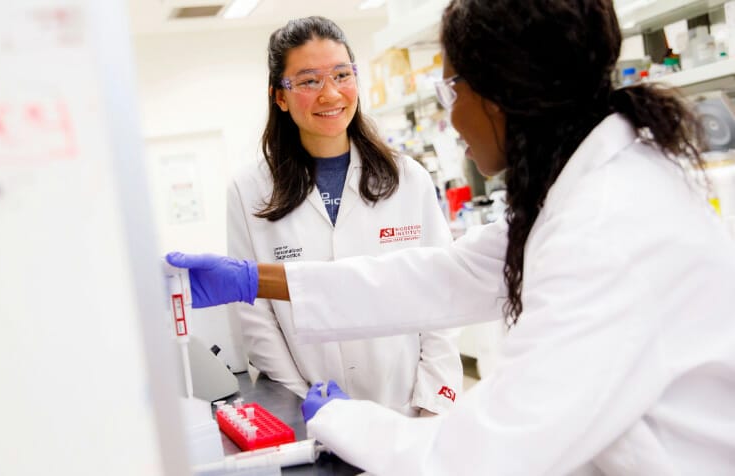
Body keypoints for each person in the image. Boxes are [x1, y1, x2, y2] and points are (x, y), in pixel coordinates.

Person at [166, 0, 735, 474]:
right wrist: (251, 279)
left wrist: (345, 419)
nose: (453, 119)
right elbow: (440, 274)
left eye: (452, 90)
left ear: (502, 93)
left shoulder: (608, 228)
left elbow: (488, 451)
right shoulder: (579, 195)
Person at [226, 16, 464, 417]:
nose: (331, 93)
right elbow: (256, 318)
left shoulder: (409, 179)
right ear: (279, 96)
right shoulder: (249, 191)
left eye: (341, 74)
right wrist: (305, 403)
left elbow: (444, 295)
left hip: (409, 409)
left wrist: (431, 403)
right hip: (313, 415)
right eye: (308, 81)